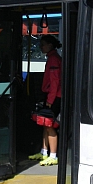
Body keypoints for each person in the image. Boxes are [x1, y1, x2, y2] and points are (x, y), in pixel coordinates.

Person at [28, 35, 62, 166]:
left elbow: (55, 82)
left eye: (43, 44)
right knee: (45, 124)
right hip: (52, 96)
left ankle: (53, 155)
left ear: (50, 45)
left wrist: (50, 99)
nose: (41, 47)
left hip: (54, 97)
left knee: (50, 126)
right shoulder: (53, 58)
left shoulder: (53, 60)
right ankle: (43, 152)